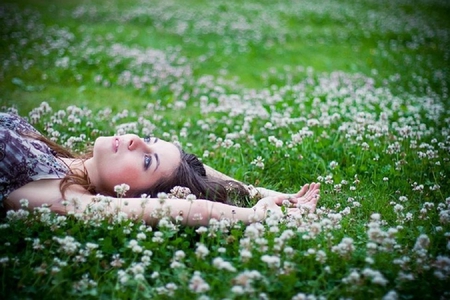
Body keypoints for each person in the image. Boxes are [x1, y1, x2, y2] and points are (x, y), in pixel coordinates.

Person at [0, 112, 320, 226]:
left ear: (133, 199)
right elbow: (191, 167)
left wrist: (255, 215)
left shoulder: (57, 195)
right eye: (151, 140)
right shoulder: (61, 163)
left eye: (146, 159)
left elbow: (187, 208)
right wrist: (256, 191)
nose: (136, 139)